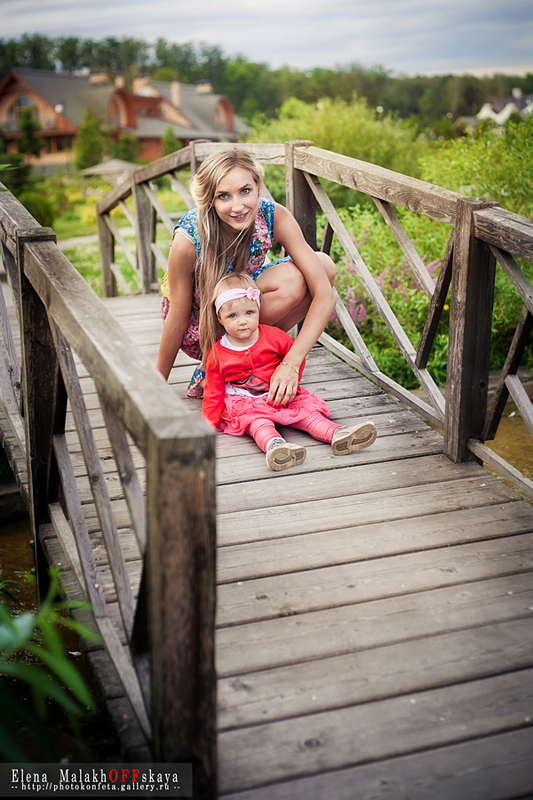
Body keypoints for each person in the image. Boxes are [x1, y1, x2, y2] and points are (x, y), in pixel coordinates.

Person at [156, 147, 336, 406]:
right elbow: (177, 319)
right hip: (202, 325)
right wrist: (155, 386)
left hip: (245, 304)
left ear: (258, 186)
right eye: (223, 196)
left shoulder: (272, 215)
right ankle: (217, 361)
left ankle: (256, 356)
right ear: (210, 200)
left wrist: (291, 364)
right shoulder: (188, 240)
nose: (238, 206)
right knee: (301, 278)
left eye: (245, 191)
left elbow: (325, 295)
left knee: (323, 266)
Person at [201, 273, 377, 471]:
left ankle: (337, 433)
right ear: (220, 318)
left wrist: (292, 386)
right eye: (233, 316)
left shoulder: (274, 336)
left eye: (249, 312)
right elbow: (213, 393)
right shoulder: (217, 354)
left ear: (258, 309)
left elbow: (296, 359)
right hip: (246, 403)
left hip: (280, 395)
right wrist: (207, 427)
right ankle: (276, 446)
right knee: (258, 423)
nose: (243, 321)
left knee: (308, 414)